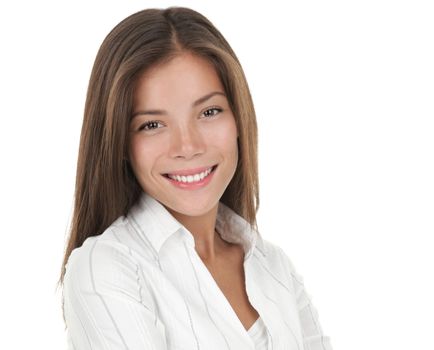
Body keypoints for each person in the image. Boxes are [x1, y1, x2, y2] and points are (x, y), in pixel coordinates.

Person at [59, 6, 333, 350]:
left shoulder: (274, 267)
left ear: (238, 118)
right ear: (120, 143)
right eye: (152, 124)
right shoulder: (104, 269)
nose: (187, 146)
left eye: (209, 111)